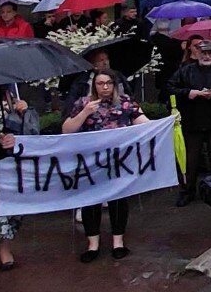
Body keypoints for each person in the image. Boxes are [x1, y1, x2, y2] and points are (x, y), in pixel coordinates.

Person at [62, 70, 150, 262]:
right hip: (91, 162)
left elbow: (144, 123)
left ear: (114, 84)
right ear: (94, 85)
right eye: (100, 83)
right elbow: (66, 129)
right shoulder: (84, 103)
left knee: (118, 201)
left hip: (119, 162)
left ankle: (118, 242)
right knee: (91, 201)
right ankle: (93, 244)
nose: (104, 87)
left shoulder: (126, 102)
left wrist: (166, 124)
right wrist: (85, 113)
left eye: (108, 83)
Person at [167, 39, 211, 207]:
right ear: (197, 53)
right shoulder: (185, 71)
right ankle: (186, 191)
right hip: (192, 121)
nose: (206, 55)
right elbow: (169, 89)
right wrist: (188, 93)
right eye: (203, 52)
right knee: (189, 161)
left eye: (209, 53)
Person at [0, 87, 38, 270]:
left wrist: (25, 111)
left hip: (6, 161)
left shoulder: (7, 95)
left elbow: (28, 132)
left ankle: (4, 248)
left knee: (6, 208)